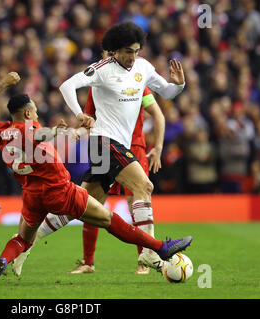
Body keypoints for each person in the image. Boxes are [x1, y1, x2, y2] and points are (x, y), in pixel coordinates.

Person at [0, 71, 192, 286]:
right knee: (108, 219)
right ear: (28, 114)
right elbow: (38, 135)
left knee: (23, 239)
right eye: (36, 111)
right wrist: (54, 132)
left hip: (31, 196)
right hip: (59, 191)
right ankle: (159, 247)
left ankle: (3, 259)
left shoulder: (1, 131)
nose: (37, 114)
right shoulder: (32, 129)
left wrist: (2, 84)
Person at [51, 21, 185, 274]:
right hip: (107, 145)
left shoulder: (141, 74)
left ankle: (24, 243)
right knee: (142, 188)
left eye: (136, 50)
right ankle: (148, 255)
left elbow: (162, 104)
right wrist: (77, 126)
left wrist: (178, 86)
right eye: (126, 51)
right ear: (111, 51)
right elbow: (83, 112)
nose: (132, 57)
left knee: (86, 204)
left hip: (134, 147)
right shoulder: (99, 79)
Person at [11, 85, 165, 277]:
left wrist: (158, 146)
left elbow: (158, 114)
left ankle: (145, 257)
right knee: (83, 204)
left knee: (115, 198)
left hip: (133, 146)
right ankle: (138, 255)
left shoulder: (138, 81)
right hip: (106, 146)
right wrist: (78, 133)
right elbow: (89, 123)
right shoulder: (98, 85)